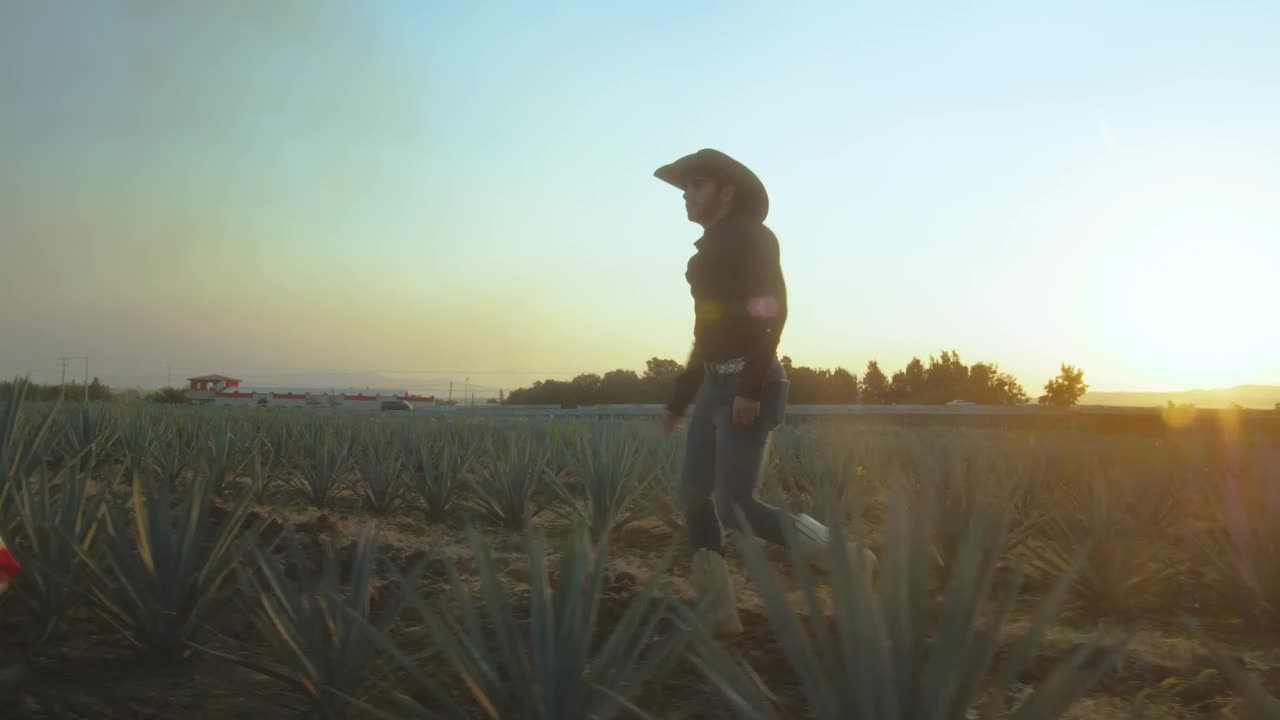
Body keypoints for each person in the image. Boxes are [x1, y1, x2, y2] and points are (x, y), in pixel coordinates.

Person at [654, 148, 876, 636]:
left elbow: (771, 310)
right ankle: (717, 610)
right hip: (714, 384)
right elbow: (704, 334)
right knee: (694, 493)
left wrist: (750, 387)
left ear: (726, 191)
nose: (686, 196)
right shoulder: (704, 256)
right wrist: (680, 399)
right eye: (684, 188)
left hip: (749, 382)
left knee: (734, 503)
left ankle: (849, 561)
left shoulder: (754, 238)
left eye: (696, 185)